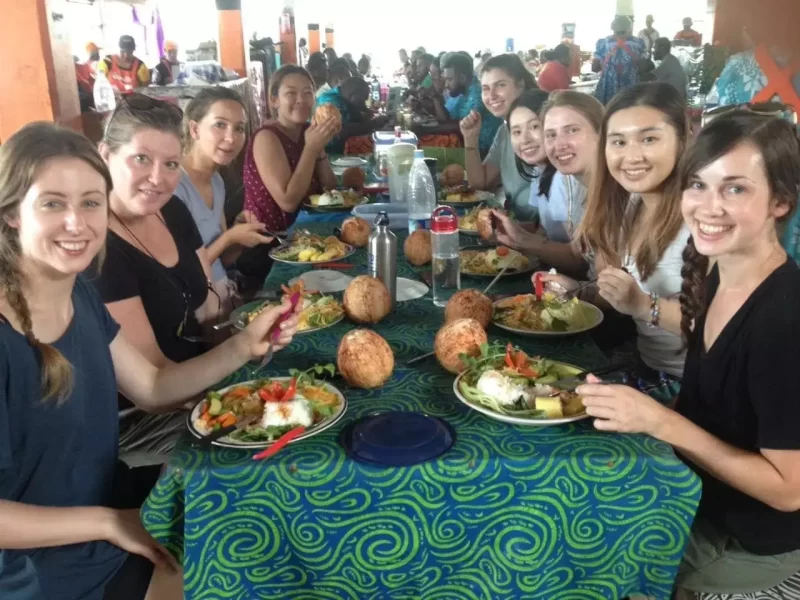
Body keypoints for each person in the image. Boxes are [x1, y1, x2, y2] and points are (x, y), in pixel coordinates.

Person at [0, 121, 300, 600]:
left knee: (263, 518)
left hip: (106, 502)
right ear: (13, 212)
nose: (77, 223)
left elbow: (155, 386)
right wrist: (107, 522)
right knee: (231, 575)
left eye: (91, 203)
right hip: (40, 565)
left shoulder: (79, 290)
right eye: (52, 203)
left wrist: (244, 345)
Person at [578, 111, 800, 598]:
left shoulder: (783, 320)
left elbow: (789, 489)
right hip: (692, 486)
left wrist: (660, 422)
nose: (708, 207)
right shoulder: (723, 271)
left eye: (736, 189)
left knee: (590, 564)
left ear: (780, 201)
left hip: (745, 537)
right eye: (698, 184)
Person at [91, 95, 223, 463]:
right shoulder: (97, 249)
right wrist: (234, 387)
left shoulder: (173, 210)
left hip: (197, 378)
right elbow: (155, 382)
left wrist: (241, 336)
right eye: (141, 159)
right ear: (106, 155)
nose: (157, 178)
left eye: (170, 164)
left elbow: (208, 300)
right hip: (143, 418)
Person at [546, 83, 692, 391]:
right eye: (619, 142)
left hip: (697, 388)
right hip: (646, 370)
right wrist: (581, 291)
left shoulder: (701, 217)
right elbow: (620, 295)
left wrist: (643, 306)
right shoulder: (632, 204)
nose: (632, 156)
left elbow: (726, 327)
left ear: (682, 140)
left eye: (649, 139)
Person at [177, 87, 274, 309]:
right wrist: (229, 237)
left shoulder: (216, 181)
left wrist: (239, 236)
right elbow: (184, 271)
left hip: (222, 297)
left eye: (239, 128)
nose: (231, 138)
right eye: (220, 125)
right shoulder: (174, 187)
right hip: (195, 307)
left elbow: (224, 260)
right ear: (194, 129)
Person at [492, 91, 604, 274]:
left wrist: (523, 241)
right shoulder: (542, 171)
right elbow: (544, 231)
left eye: (534, 127)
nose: (525, 139)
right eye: (516, 131)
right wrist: (512, 233)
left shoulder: (568, 179)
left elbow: (580, 260)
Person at [243, 65, 338, 235]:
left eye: (308, 92)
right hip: (272, 241)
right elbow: (288, 202)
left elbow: (330, 190)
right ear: (275, 100)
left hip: (310, 233)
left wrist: (320, 149)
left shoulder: (308, 131)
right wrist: (311, 148)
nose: (301, 99)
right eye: (291, 93)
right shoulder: (266, 137)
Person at [458, 53, 535, 217]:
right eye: (485, 88)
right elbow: (480, 184)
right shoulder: (504, 131)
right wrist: (470, 138)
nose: (491, 95)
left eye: (500, 85)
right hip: (518, 223)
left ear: (520, 84)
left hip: (546, 231)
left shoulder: (543, 126)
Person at [316, 77, 389, 154]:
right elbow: (341, 131)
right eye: (362, 100)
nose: (363, 105)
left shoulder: (345, 98)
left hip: (342, 150)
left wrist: (368, 116)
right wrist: (373, 124)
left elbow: (355, 121)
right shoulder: (329, 101)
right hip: (328, 154)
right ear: (352, 96)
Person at [592, 16, 647, 104]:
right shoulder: (638, 43)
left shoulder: (603, 43)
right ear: (629, 27)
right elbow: (643, 68)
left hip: (608, 87)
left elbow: (594, 68)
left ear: (613, 27)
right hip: (631, 87)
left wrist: (607, 63)